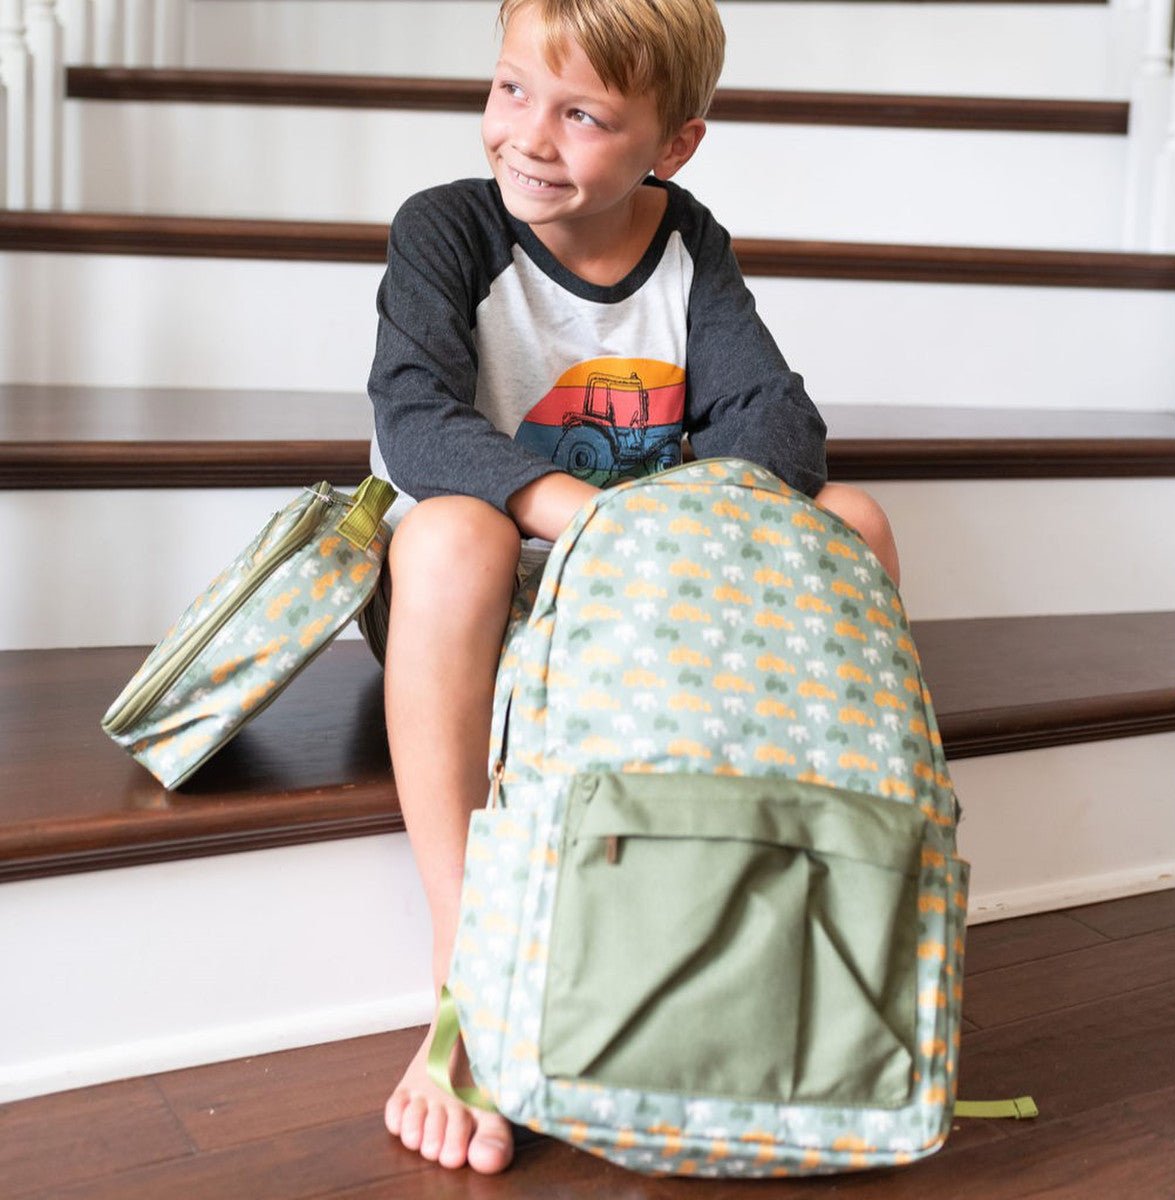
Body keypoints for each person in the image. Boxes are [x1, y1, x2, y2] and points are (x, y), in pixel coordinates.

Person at [364, 0, 900, 1174]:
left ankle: (817, 913)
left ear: (674, 143)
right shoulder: (448, 230)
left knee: (853, 520)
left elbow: (778, 420)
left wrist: (654, 535)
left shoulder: (689, 241)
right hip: (486, 594)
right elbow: (414, 417)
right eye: (511, 90)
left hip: (646, 600)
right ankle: (470, 975)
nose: (527, 135)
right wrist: (584, 517)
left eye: (582, 115)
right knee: (454, 534)